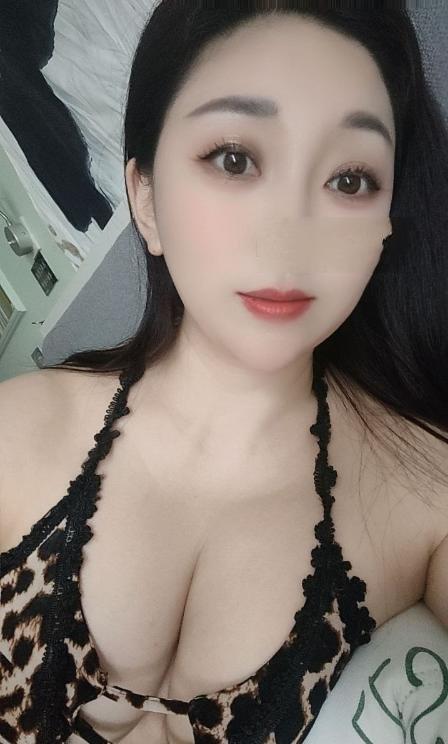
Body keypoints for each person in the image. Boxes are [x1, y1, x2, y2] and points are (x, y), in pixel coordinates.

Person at [1, 3, 447, 743]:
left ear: (386, 223)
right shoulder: (15, 433)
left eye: (349, 178)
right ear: (146, 198)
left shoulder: (425, 489)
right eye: (235, 159)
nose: (288, 234)